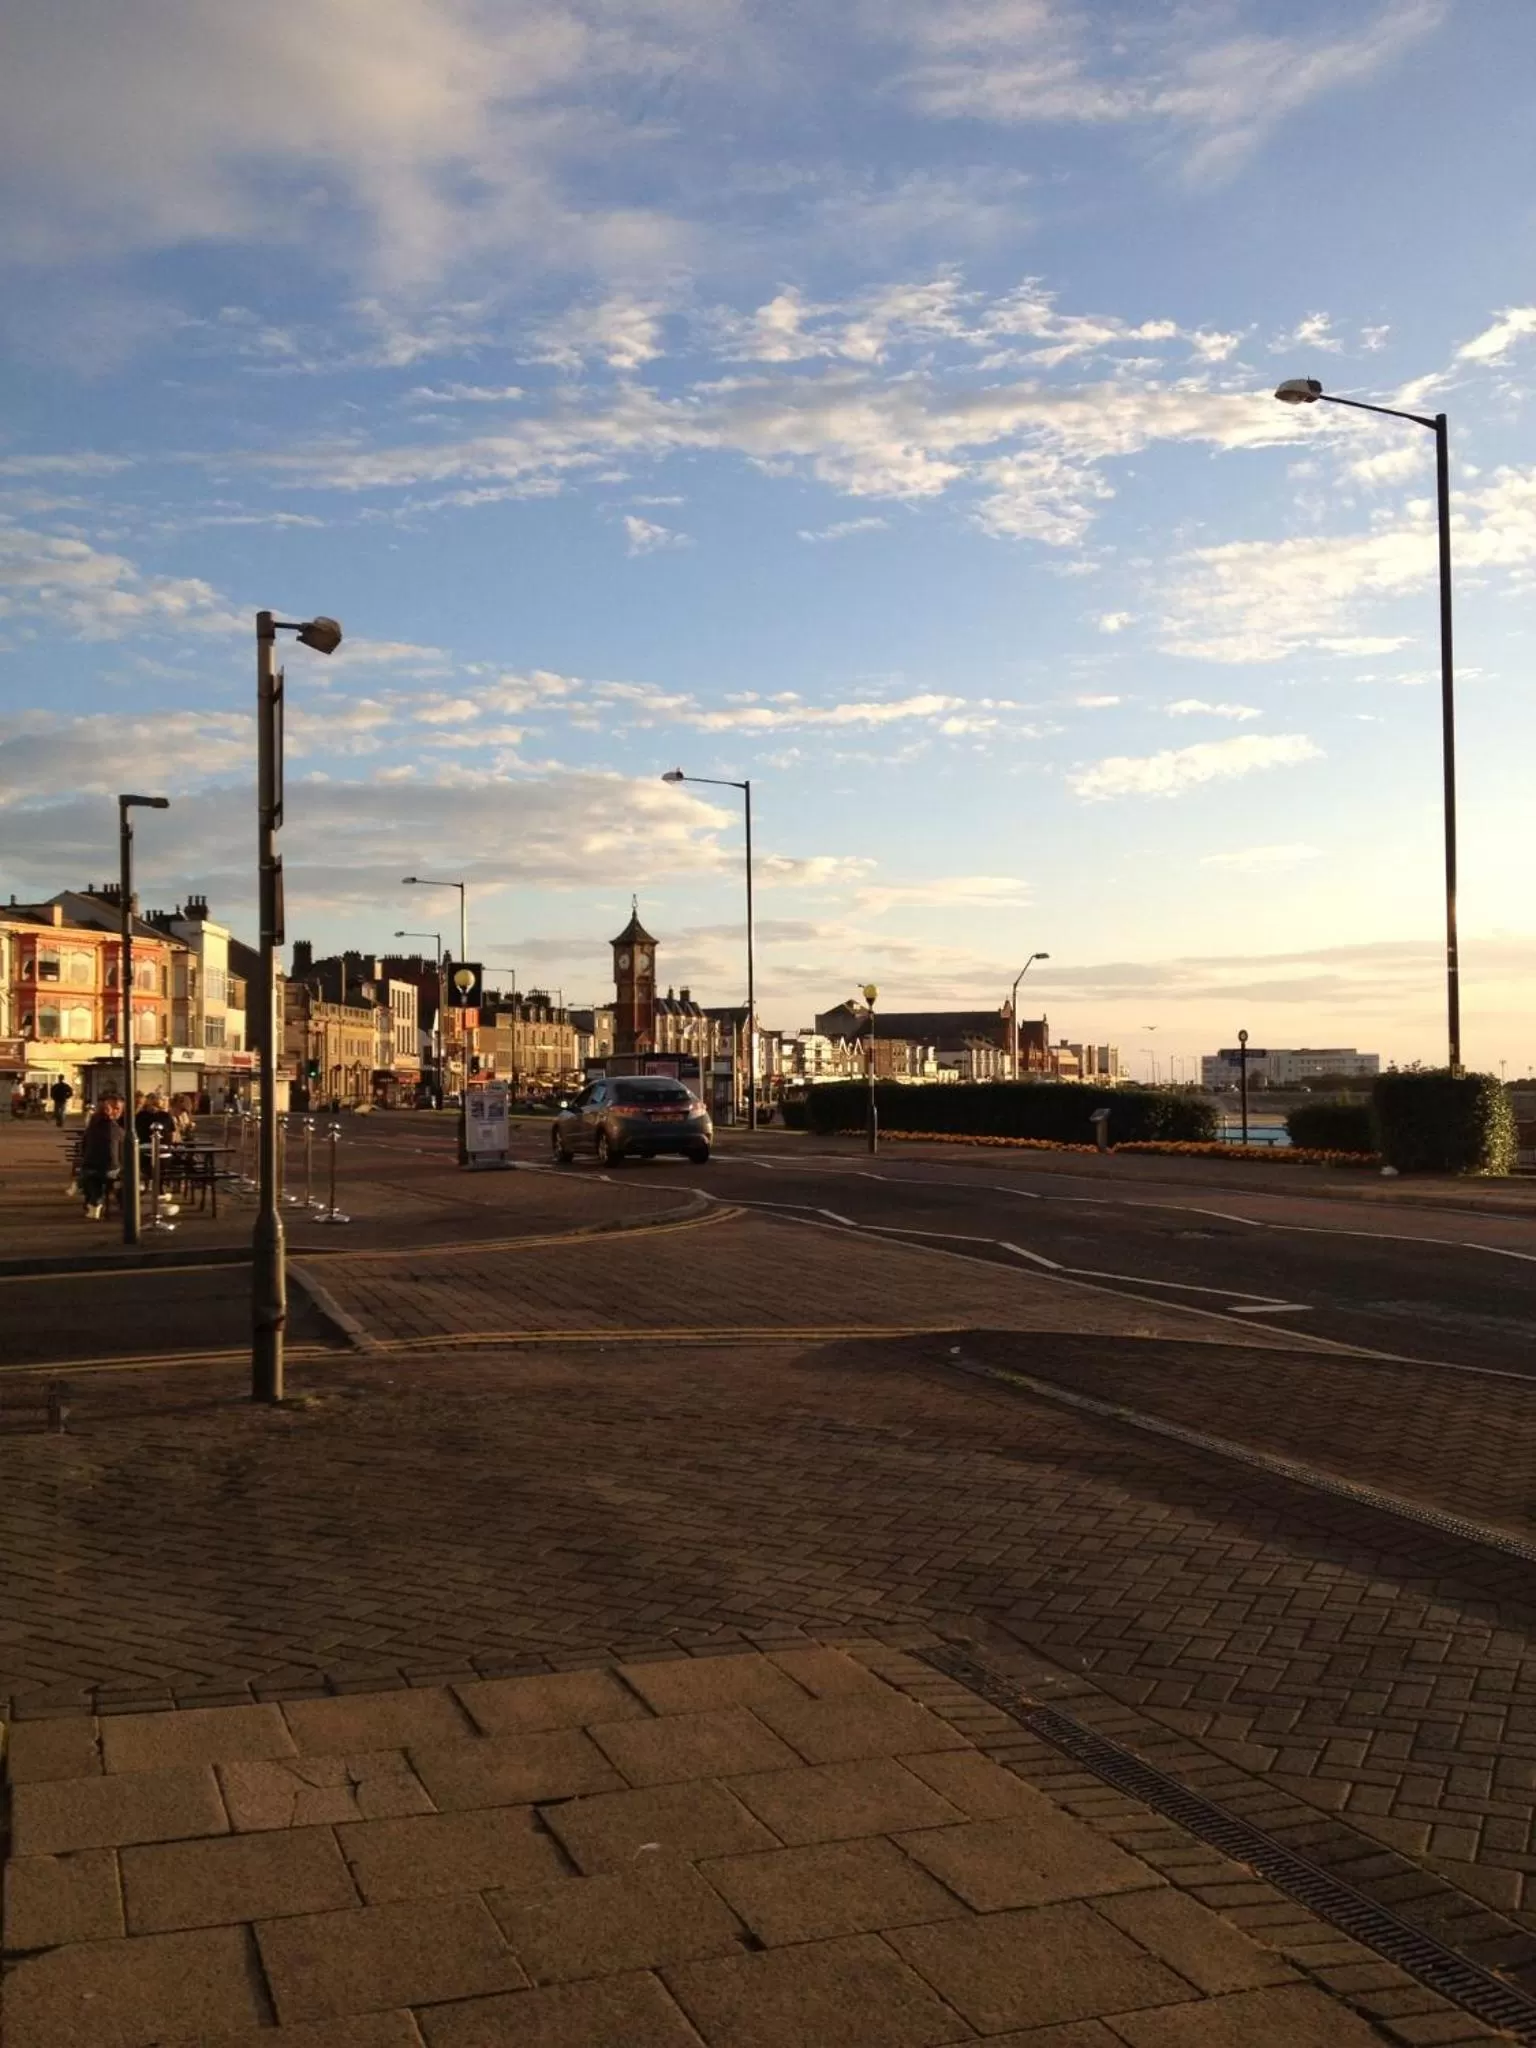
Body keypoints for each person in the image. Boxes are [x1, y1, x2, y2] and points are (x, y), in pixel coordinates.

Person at [80, 1096, 124, 1218]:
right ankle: (120, 1203)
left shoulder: (91, 1128)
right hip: (111, 1169)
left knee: (90, 1176)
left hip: (91, 1168)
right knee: (121, 1174)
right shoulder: (117, 1130)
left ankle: (95, 1201)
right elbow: (122, 1154)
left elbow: (83, 1148)